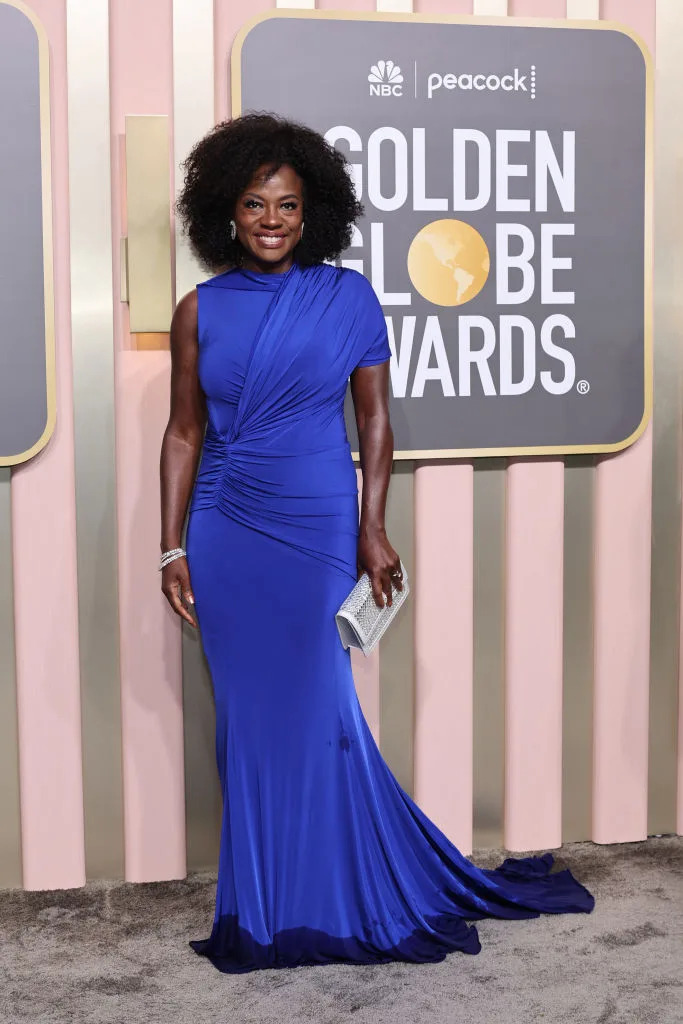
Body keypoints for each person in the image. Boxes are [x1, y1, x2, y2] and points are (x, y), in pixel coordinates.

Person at [159, 112, 594, 973]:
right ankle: (266, 903)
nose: (271, 219)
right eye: (253, 204)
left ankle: (332, 889)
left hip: (316, 520)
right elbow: (182, 434)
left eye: (287, 204)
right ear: (225, 213)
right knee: (245, 722)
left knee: (319, 707)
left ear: (312, 209)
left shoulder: (349, 296)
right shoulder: (198, 308)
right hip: (226, 527)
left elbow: (375, 421)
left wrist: (371, 526)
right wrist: (169, 547)